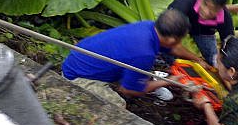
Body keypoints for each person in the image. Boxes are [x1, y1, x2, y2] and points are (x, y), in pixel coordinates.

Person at [62, 9, 193, 107]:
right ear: (171, 39)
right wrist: (169, 81)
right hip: (77, 77)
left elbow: (173, 48)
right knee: (117, 106)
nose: (180, 43)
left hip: (81, 57)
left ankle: (144, 81)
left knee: (140, 67)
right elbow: (128, 90)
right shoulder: (144, 53)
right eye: (180, 39)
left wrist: (198, 60)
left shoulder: (149, 26)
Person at [168, 0, 234, 67]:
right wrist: (197, 60)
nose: (206, 12)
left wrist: (222, 64)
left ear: (221, 9)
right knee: (168, 55)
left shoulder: (225, 17)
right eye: (205, 4)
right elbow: (171, 44)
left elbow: (229, 47)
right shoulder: (185, 1)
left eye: (212, 10)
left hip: (204, 31)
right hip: (181, 23)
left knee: (214, 61)